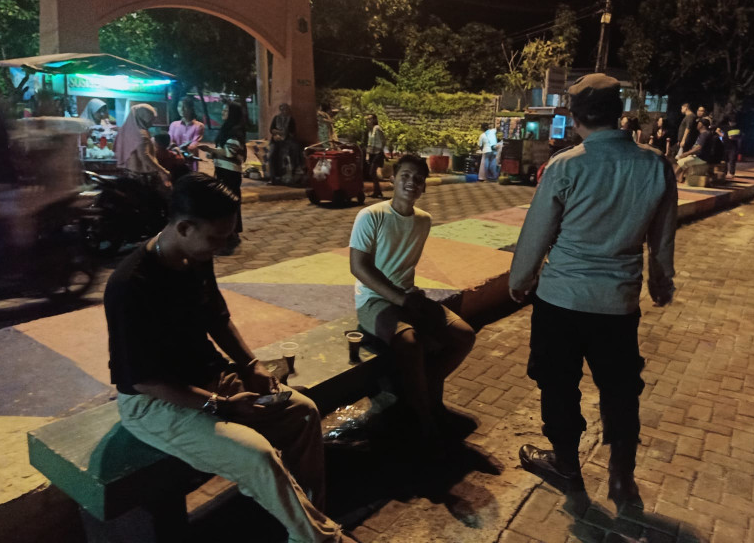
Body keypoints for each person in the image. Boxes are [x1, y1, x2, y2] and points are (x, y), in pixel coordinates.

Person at [104, 173, 360, 543]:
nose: (222, 247)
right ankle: (320, 538)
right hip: (154, 402)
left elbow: (217, 318)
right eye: (216, 238)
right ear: (184, 227)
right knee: (257, 456)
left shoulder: (195, 256)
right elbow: (144, 380)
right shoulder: (130, 285)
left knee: (302, 412)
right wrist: (221, 406)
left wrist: (251, 366)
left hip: (209, 377)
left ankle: (307, 526)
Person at [509, 73, 677, 511]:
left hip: (561, 301)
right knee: (620, 389)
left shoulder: (566, 166)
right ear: (619, 112)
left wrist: (520, 280)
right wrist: (661, 281)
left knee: (558, 384)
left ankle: (566, 465)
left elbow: (537, 233)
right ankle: (622, 478)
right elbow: (662, 238)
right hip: (618, 304)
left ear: (575, 116)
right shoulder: (656, 165)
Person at [349, 155, 476, 445]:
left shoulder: (423, 220)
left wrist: (408, 296)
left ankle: (426, 387)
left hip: (407, 296)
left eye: (418, 178)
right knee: (410, 343)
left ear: (424, 186)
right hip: (373, 300)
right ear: (392, 180)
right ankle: (424, 418)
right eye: (405, 176)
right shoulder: (371, 216)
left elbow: (402, 268)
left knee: (464, 336)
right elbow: (359, 267)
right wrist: (400, 298)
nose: (411, 182)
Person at [198, 101, 247, 254]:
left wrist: (211, 150)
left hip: (230, 172)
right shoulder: (227, 129)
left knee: (229, 202)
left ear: (233, 113)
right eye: (223, 110)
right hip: (223, 170)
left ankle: (231, 234)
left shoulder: (235, 131)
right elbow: (223, 150)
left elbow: (229, 152)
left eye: (226, 110)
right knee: (227, 202)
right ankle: (231, 232)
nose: (223, 112)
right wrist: (213, 153)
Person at [115, 104, 171, 189]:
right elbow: (144, 156)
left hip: (131, 174)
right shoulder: (141, 134)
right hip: (142, 177)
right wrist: (162, 170)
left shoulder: (128, 131)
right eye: (150, 119)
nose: (151, 123)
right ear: (144, 118)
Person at [168, 96, 206, 170]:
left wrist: (185, 149)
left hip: (190, 160)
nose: (181, 109)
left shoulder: (198, 126)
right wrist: (176, 149)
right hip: (175, 159)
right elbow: (170, 140)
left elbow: (195, 142)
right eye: (179, 106)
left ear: (191, 109)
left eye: (184, 106)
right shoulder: (174, 125)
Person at [675, 117, 716, 183]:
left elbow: (698, 147)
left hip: (701, 158)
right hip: (699, 156)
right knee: (684, 159)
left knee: (682, 162)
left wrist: (686, 153)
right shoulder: (703, 134)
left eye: (699, 123)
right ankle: (680, 177)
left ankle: (671, 178)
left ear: (702, 125)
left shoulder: (705, 134)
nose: (697, 124)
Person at [269, 103, 297, 185]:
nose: (284, 111)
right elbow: (271, 129)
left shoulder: (290, 119)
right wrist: (278, 133)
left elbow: (292, 132)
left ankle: (284, 176)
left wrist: (285, 134)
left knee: (285, 156)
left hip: (286, 141)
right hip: (276, 140)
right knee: (272, 155)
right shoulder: (276, 118)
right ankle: (273, 177)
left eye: (286, 109)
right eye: (282, 109)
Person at [364, 114, 386, 198]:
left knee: (372, 171)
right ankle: (377, 191)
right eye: (367, 119)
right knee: (372, 172)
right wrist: (368, 154)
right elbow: (369, 144)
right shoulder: (370, 130)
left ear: (374, 120)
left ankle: (377, 191)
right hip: (372, 153)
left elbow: (383, 140)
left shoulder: (377, 128)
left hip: (378, 153)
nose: (368, 121)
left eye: (370, 119)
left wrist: (381, 149)